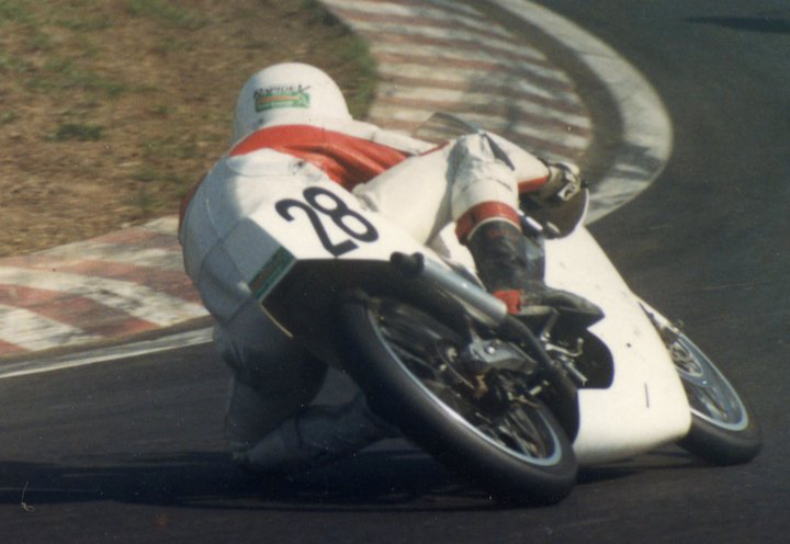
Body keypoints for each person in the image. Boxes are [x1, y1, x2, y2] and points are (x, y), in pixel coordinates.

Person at [179, 62, 597, 475]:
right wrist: (555, 178)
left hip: (253, 318)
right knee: (475, 151)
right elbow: (430, 160)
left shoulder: (198, 196)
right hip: (335, 243)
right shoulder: (305, 132)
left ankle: (375, 416)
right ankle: (514, 286)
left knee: (251, 448)